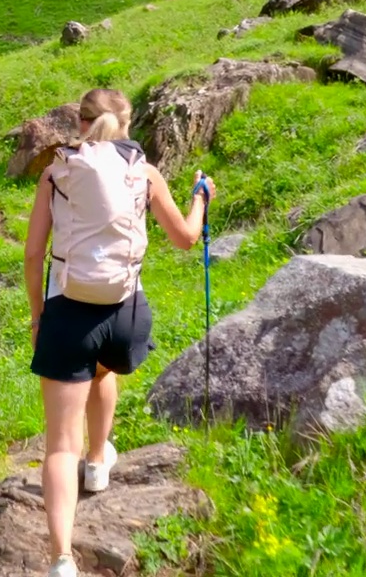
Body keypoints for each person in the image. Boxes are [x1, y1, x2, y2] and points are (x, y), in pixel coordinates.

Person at [22, 88, 215, 577]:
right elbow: (186, 238)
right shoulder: (143, 173)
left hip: (68, 311)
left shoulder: (56, 172)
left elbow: (32, 254)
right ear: (128, 126)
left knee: (57, 444)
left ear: (80, 122)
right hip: (125, 316)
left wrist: (37, 314)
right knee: (103, 369)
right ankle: (97, 461)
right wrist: (201, 197)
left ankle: (62, 559)